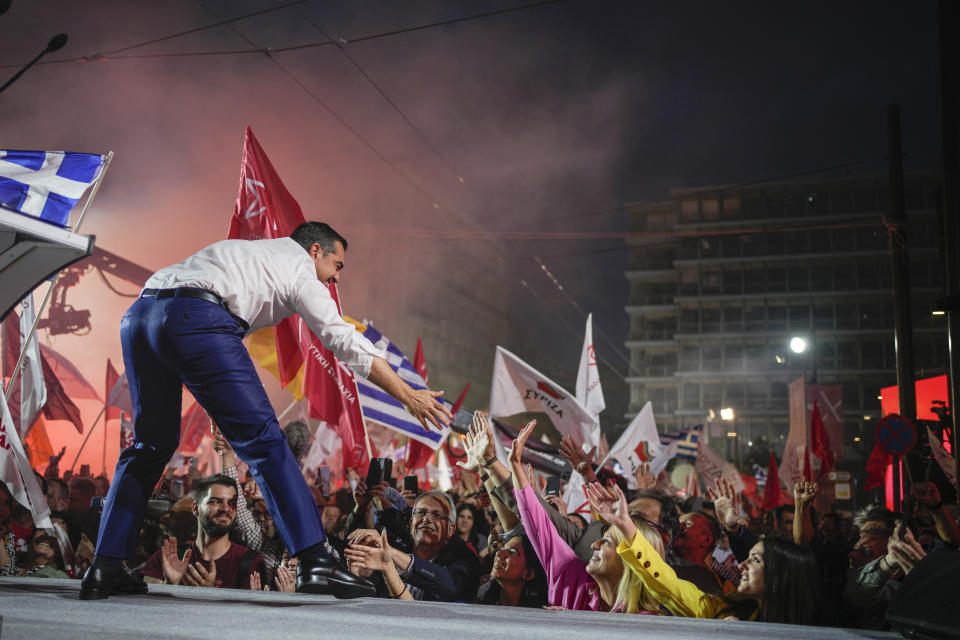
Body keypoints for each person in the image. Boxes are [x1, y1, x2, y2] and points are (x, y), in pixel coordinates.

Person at [82, 222, 452, 600]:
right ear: (315, 252)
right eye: (337, 266)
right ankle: (315, 560)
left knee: (149, 446)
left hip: (141, 316)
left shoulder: (246, 252)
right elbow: (341, 339)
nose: (336, 279)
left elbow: (195, 308)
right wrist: (408, 394)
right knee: (266, 444)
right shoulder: (300, 270)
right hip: (198, 321)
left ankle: (105, 566)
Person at [592, 480, 823, 625]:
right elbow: (670, 585)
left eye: (754, 560)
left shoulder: (816, 626)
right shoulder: (720, 611)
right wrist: (627, 528)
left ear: (780, 573)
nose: (741, 565)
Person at [509, 421, 663, 614]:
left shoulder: (648, 622)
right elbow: (539, 524)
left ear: (631, 559)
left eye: (607, 541)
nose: (593, 545)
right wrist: (515, 466)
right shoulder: (569, 573)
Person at [348, 490, 480, 602]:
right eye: (421, 513)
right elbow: (366, 601)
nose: (426, 519)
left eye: (437, 515)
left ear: (450, 530)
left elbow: (451, 585)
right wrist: (360, 577)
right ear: (411, 523)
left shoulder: (465, 556)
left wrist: (392, 554)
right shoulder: (392, 549)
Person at [139, 474, 264, 590]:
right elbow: (145, 609)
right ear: (196, 508)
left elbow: (246, 613)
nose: (226, 508)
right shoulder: (168, 557)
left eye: (232, 503)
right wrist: (170, 585)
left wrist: (209, 594)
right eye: (215, 501)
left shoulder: (250, 562)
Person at [476, 534, 547, 607]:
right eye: (502, 548)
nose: (498, 553)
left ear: (528, 574)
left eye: (512, 552)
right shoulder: (479, 598)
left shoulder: (541, 611)